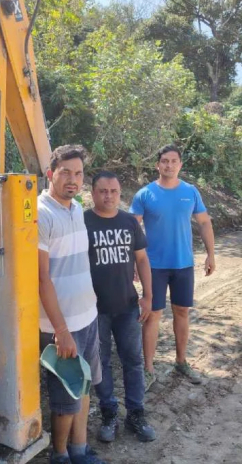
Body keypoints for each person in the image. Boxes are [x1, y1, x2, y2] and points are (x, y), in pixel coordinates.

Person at [37, 144, 104, 464]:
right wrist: (61, 331)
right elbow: (42, 279)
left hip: (87, 318)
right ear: (50, 174)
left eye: (78, 174)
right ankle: (60, 455)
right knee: (65, 399)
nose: (73, 180)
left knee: (85, 387)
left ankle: (80, 450)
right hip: (60, 326)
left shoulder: (77, 208)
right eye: (66, 173)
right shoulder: (40, 213)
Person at [130, 144, 215, 389]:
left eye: (173, 161)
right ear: (158, 165)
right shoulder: (145, 194)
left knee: (182, 312)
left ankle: (181, 361)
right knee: (152, 315)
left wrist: (211, 255)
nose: (169, 165)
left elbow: (204, 223)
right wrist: (133, 263)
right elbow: (133, 230)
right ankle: (148, 369)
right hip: (153, 266)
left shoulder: (190, 192)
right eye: (164, 161)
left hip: (183, 265)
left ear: (180, 165)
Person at [85, 171, 156, 443]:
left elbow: (142, 260)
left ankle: (136, 414)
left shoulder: (128, 221)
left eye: (114, 191)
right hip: (94, 309)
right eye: (103, 191)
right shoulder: (83, 221)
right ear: (92, 193)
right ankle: (109, 414)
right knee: (100, 363)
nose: (109, 196)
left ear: (119, 192)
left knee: (133, 362)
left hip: (127, 306)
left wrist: (148, 297)